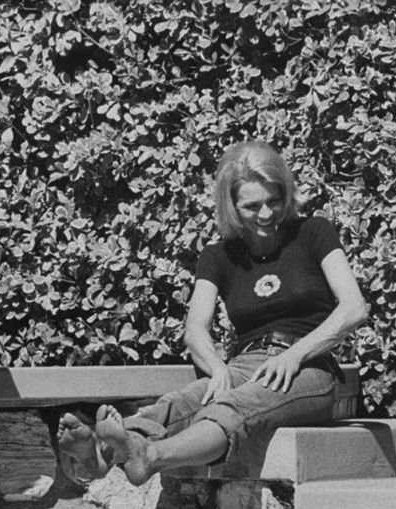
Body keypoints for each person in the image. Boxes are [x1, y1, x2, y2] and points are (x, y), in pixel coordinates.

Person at [56, 140, 368, 487]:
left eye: (274, 201)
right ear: (232, 206)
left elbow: (354, 308)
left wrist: (295, 355)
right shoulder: (219, 255)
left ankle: (149, 456)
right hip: (245, 363)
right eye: (252, 206)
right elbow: (195, 329)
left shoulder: (314, 233)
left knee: (236, 406)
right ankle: (100, 453)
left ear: (285, 193)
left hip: (309, 368)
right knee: (183, 401)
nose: (266, 214)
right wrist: (218, 368)